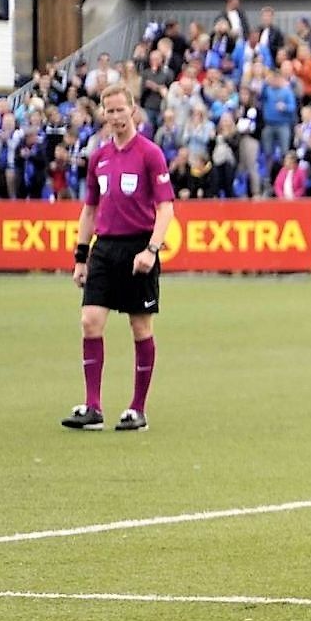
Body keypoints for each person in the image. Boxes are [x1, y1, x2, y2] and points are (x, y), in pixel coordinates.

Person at [63, 84, 175, 432]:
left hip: (138, 247)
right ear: (103, 114)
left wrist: (151, 250)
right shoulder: (99, 157)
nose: (115, 117)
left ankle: (137, 409)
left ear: (133, 110)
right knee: (90, 321)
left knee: (140, 327)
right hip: (104, 249)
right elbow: (89, 209)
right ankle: (93, 407)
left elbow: (166, 208)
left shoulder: (150, 154)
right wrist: (81, 256)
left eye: (120, 110)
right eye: (109, 111)